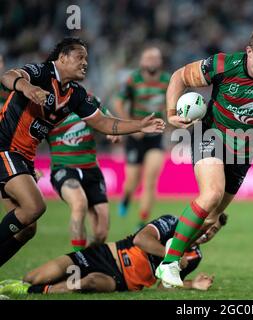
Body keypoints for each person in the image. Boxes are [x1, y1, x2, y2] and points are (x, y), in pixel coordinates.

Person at [156, 28, 253, 287]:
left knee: (210, 218)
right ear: (249, 52)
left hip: (244, 150)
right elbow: (179, 76)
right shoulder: (223, 64)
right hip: (211, 134)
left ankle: (176, 243)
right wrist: (171, 112)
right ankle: (169, 263)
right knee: (212, 194)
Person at [0, 37, 165, 267]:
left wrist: (140, 125)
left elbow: (104, 123)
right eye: (80, 57)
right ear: (62, 58)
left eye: (87, 58)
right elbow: (7, 76)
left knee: (27, 229)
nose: (85, 62)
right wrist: (28, 88)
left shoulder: (75, 94)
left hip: (25, 157)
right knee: (35, 207)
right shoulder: (42, 72)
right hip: (5, 147)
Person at [0, 213, 226, 295]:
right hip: (104, 255)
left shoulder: (195, 257)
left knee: (88, 282)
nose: (209, 233)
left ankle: (31, 291)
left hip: (120, 281)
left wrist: (192, 285)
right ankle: (25, 284)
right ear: (199, 221)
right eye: (208, 226)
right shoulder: (171, 222)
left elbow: (163, 285)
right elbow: (141, 239)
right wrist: (173, 256)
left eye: (215, 231)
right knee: (36, 275)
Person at [47, 94, 120, 252]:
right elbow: (29, 137)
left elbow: (106, 114)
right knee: (79, 204)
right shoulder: (46, 105)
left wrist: (113, 130)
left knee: (101, 232)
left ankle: (89, 258)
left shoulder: (88, 99)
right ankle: (79, 259)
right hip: (63, 168)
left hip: (91, 169)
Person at [114, 47, 169, 228]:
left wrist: (171, 120)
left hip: (155, 136)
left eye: (155, 58)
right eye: (148, 58)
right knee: (132, 181)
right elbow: (118, 102)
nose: (152, 61)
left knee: (151, 179)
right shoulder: (133, 79)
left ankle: (142, 221)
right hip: (136, 137)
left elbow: (173, 102)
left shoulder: (167, 80)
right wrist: (132, 126)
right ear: (142, 62)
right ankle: (126, 197)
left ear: (160, 62)